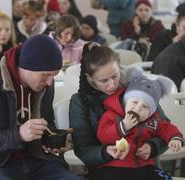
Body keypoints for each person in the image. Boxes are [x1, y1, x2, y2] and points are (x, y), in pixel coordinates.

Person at [0, 35, 81, 180]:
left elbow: (47, 123)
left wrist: (52, 140)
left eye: (54, 75)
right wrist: (18, 135)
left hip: (35, 160)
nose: (50, 82)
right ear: (26, 67)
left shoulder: (45, 86)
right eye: (45, 75)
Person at [69, 42, 171, 179]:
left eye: (115, 76)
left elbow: (165, 126)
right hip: (106, 169)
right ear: (90, 79)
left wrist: (153, 147)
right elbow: (83, 148)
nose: (111, 84)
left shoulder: (137, 90)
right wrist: (106, 152)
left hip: (144, 166)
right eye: (103, 80)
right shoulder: (80, 101)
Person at [97, 71, 183, 179]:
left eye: (145, 107)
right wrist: (123, 126)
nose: (137, 108)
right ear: (125, 102)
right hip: (116, 166)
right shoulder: (111, 115)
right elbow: (103, 136)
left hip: (144, 165)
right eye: (134, 102)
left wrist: (175, 138)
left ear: (151, 112)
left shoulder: (154, 120)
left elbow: (167, 128)